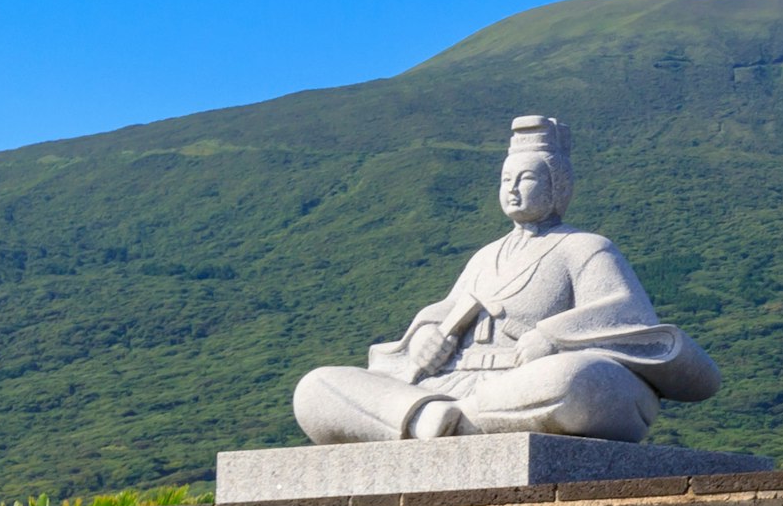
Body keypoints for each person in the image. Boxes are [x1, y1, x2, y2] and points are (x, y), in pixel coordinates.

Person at [291, 115, 719, 443]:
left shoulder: (585, 247)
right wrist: (424, 338)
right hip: (451, 385)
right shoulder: (485, 256)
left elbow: (626, 314)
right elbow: (446, 317)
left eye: (527, 178)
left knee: (576, 381)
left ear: (558, 186)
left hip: (523, 384)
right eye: (505, 179)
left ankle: (443, 420)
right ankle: (425, 417)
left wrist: (554, 336)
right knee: (316, 387)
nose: (513, 189)